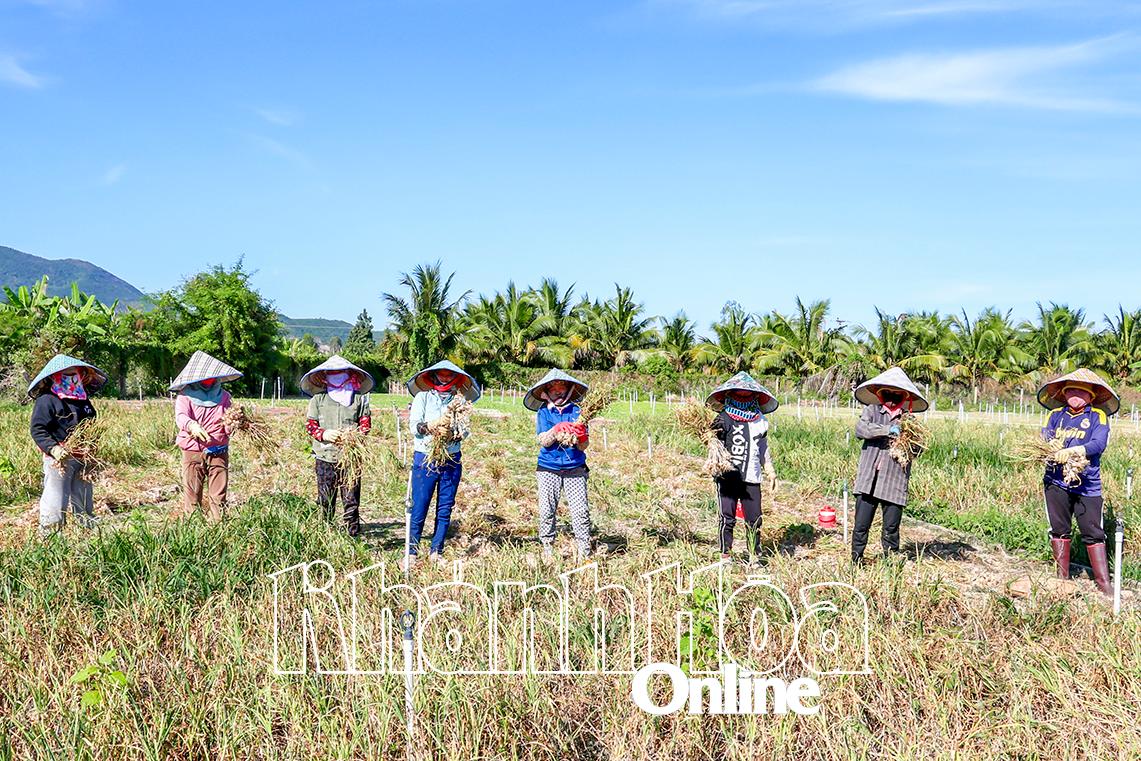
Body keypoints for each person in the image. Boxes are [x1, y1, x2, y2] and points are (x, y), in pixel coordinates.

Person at [1036, 368, 1118, 596]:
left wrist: (1076, 450)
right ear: (1063, 393)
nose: (1075, 394)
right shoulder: (1055, 415)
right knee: (1059, 528)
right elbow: (1046, 435)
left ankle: (1104, 584)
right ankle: (1061, 578)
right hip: (1055, 480)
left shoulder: (1097, 416)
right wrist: (1050, 445)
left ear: (1091, 396)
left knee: (1093, 531)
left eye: (1081, 392)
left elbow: (1098, 444)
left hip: (1087, 484)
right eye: (1070, 389)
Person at [405, 360, 480, 568]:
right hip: (425, 457)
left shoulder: (461, 402)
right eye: (442, 374)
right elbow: (414, 426)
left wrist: (453, 435)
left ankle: (436, 551)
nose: (445, 378)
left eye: (449, 375)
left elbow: (466, 431)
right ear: (434, 376)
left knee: (445, 507)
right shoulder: (423, 397)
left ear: (455, 378)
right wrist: (431, 427)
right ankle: (411, 552)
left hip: (451, 459)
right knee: (420, 504)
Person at [850, 367, 929, 563]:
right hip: (869, 479)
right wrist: (887, 430)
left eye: (897, 395)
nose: (892, 398)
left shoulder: (909, 421)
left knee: (891, 528)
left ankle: (890, 563)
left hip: (894, 481)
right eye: (888, 393)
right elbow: (861, 430)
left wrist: (907, 443)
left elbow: (918, 448)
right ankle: (856, 560)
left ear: (904, 397)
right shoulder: (872, 411)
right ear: (880, 393)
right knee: (861, 524)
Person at [27, 354, 109, 535]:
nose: (71, 378)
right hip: (59, 460)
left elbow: (91, 425)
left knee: (84, 496)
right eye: (66, 375)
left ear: (81, 375)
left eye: (74, 374)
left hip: (83, 457)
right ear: (54, 376)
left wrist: (91, 445)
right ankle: (50, 535)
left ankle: (86, 532)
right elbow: (38, 429)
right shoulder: (47, 400)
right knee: (56, 499)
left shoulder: (83, 401)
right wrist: (54, 448)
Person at [705, 371, 779, 565]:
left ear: (756, 396)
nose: (743, 396)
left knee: (754, 519)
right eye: (739, 392)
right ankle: (725, 555)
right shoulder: (722, 419)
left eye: (748, 393)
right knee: (726, 518)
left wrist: (770, 470)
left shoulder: (760, 421)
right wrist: (712, 450)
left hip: (752, 476)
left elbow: (763, 447)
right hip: (728, 476)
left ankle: (754, 556)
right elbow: (713, 443)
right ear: (730, 393)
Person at [301, 355, 374, 537]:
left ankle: (352, 534)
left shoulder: (358, 400)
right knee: (326, 498)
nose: (336, 376)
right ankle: (326, 534)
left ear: (349, 375)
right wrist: (324, 434)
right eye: (332, 373)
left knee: (351, 499)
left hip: (350, 459)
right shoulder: (318, 400)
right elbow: (311, 425)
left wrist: (353, 437)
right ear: (325, 377)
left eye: (340, 373)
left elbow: (365, 425)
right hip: (325, 457)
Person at [524, 369, 593, 562]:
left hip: (575, 468)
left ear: (569, 389)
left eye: (562, 387)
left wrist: (582, 436)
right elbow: (544, 441)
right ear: (547, 391)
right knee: (547, 510)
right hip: (548, 468)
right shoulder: (544, 412)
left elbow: (583, 445)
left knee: (580, 511)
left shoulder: (579, 412)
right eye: (553, 388)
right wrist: (556, 430)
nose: (558, 391)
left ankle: (584, 551)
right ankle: (547, 549)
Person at [169, 351, 243, 522]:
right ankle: (194, 526)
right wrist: (191, 425)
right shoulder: (185, 396)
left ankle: (218, 526)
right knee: (192, 491)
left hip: (219, 450)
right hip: (193, 450)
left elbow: (228, 422)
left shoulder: (224, 396)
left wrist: (235, 423)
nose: (209, 381)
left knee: (219, 493)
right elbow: (180, 416)